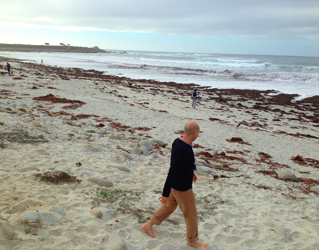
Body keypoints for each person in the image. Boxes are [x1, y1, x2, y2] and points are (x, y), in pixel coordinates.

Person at [142, 121, 209, 249]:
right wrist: (165, 193)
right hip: (182, 188)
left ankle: (148, 225)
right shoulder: (185, 149)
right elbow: (173, 169)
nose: (198, 135)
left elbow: (181, 163)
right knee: (191, 214)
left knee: (169, 207)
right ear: (194, 133)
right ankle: (193, 241)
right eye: (198, 133)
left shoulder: (178, 141)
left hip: (176, 184)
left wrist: (191, 173)